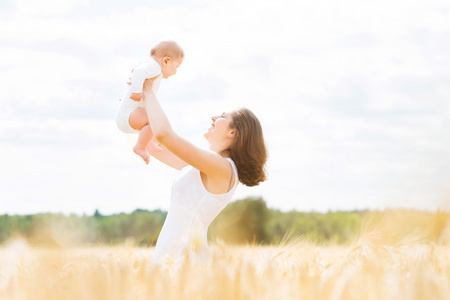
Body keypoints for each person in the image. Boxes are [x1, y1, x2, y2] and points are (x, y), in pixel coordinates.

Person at [140, 78, 268, 265]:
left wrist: (148, 89)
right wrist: (134, 109)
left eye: (223, 116)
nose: (214, 117)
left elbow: (164, 134)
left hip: (185, 263)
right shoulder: (205, 166)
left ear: (233, 132)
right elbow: (155, 143)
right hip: (172, 258)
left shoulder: (223, 168)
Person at [115, 41, 184, 164]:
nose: (176, 72)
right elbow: (138, 72)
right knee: (154, 117)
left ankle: (147, 142)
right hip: (129, 116)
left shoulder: (148, 63)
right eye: (177, 67)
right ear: (166, 61)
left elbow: (135, 73)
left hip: (130, 116)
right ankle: (140, 146)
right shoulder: (154, 67)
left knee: (153, 118)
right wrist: (136, 92)